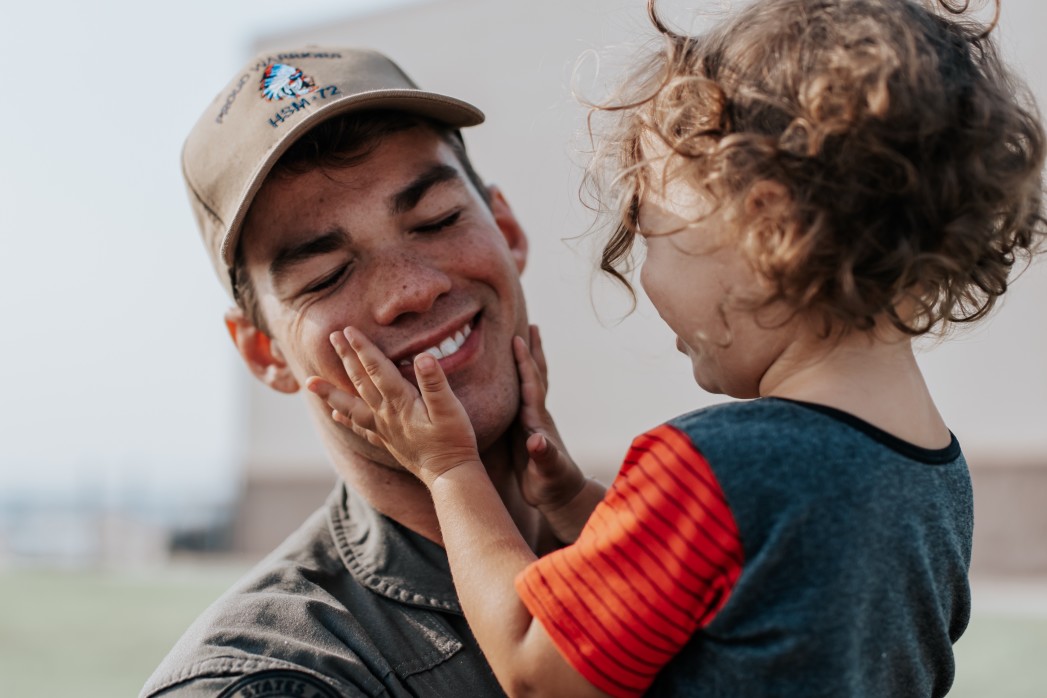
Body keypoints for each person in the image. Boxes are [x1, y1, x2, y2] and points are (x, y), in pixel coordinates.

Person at [307, 1, 1047, 696]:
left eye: (651, 232)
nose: (643, 273)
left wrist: (448, 466)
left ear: (762, 227)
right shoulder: (933, 473)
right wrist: (571, 502)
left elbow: (534, 664)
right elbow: (730, 583)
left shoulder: (713, 467)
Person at [142, 47, 586, 697]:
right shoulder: (271, 682)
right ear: (262, 354)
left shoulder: (681, 528)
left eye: (437, 220)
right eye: (326, 276)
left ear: (508, 229)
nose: (408, 290)